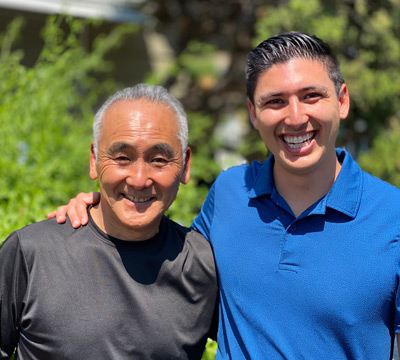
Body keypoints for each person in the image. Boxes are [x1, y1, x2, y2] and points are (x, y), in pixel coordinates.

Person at [47, 32, 400, 359]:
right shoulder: (231, 192)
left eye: (311, 96)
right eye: (275, 101)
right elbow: (164, 258)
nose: (295, 117)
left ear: (342, 101)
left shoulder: (392, 217)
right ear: (253, 114)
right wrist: (103, 210)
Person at [0, 84, 218, 359]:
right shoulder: (32, 253)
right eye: (122, 158)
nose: (139, 179)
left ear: (185, 165)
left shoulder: (203, 265)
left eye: (159, 159)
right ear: (94, 160)